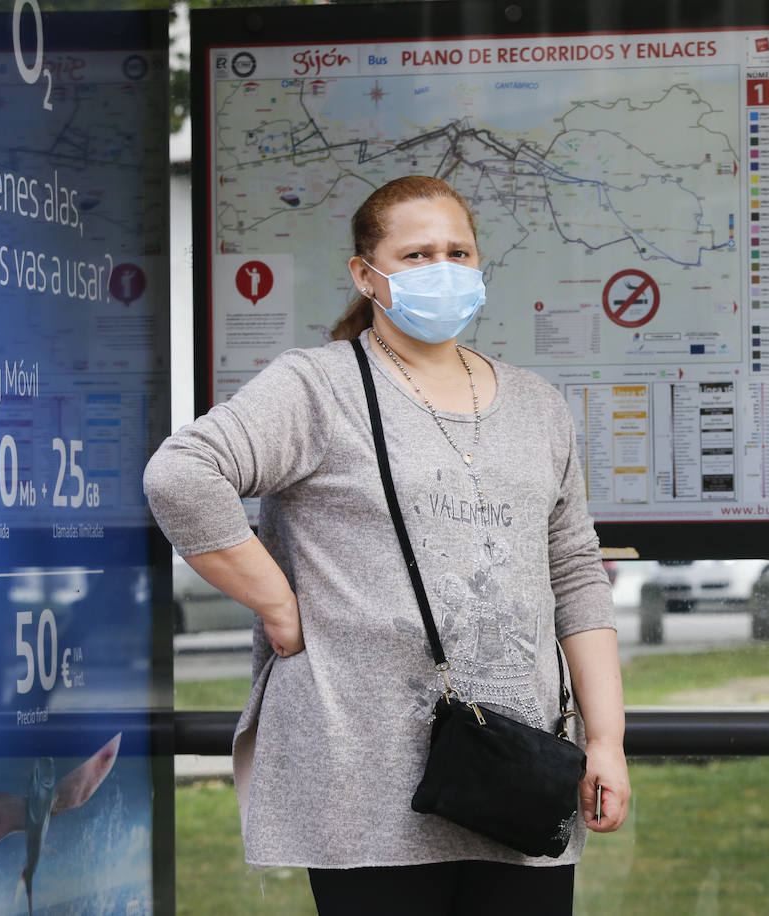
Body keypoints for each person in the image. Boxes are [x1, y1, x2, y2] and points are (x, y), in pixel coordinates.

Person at [145, 175, 629, 915]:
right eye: (417, 254)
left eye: (458, 251)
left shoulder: (537, 405)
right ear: (365, 275)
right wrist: (276, 602)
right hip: (361, 780)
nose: (443, 268)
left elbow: (575, 577)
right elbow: (182, 475)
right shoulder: (317, 387)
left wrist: (607, 740)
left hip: (516, 774)